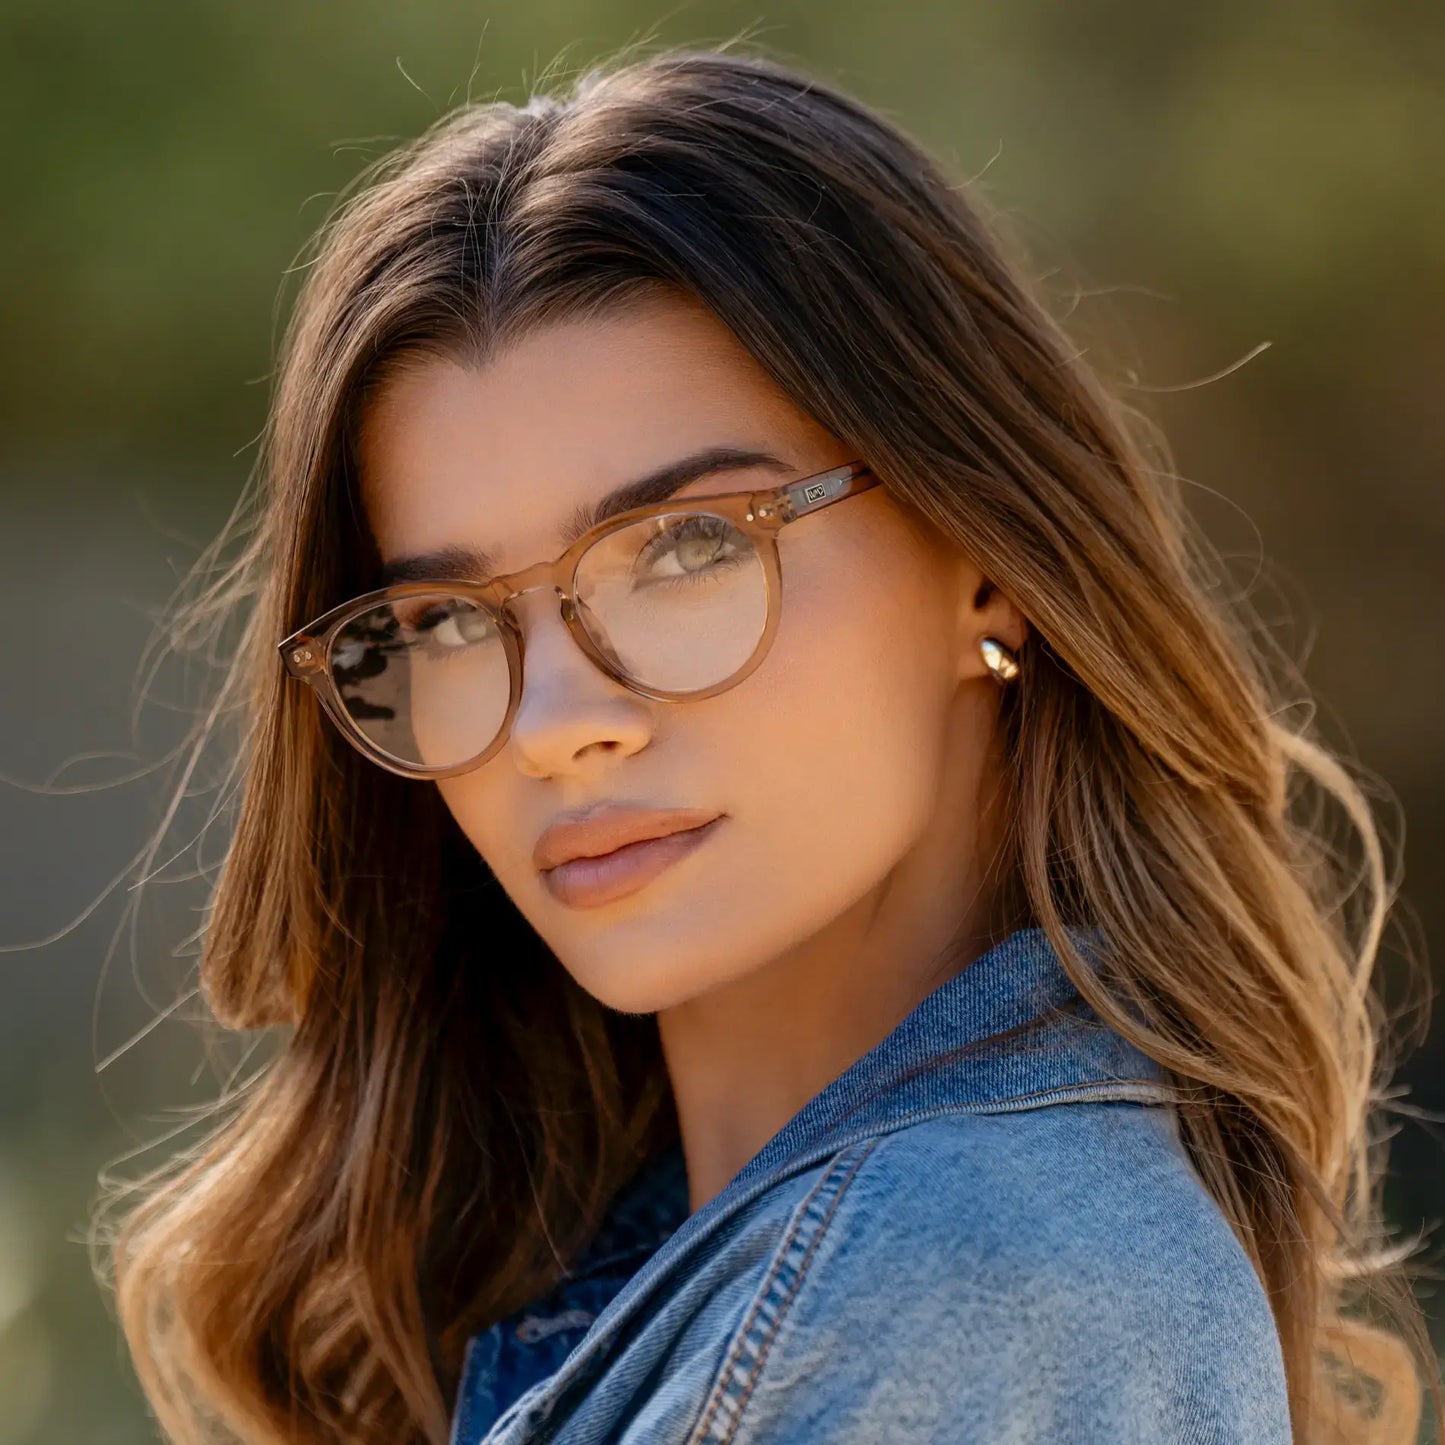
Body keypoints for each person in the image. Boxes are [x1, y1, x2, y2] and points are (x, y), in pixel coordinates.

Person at [98, 41, 1439, 1445]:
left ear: (983, 553)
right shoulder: (672, 1279)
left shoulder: (966, 1287)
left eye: (683, 548)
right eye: (441, 621)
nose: (555, 725)